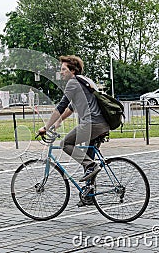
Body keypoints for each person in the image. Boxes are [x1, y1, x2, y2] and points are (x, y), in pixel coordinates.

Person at [38, 55, 110, 205]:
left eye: (63, 69)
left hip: (91, 124)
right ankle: (89, 195)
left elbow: (61, 106)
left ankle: (91, 167)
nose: (61, 72)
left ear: (72, 70)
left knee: (66, 144)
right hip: (102, 124)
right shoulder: (85, 81)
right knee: (88, 159)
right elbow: (71, 107)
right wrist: (58, 123)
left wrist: (46, 127)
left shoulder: (73, 82)